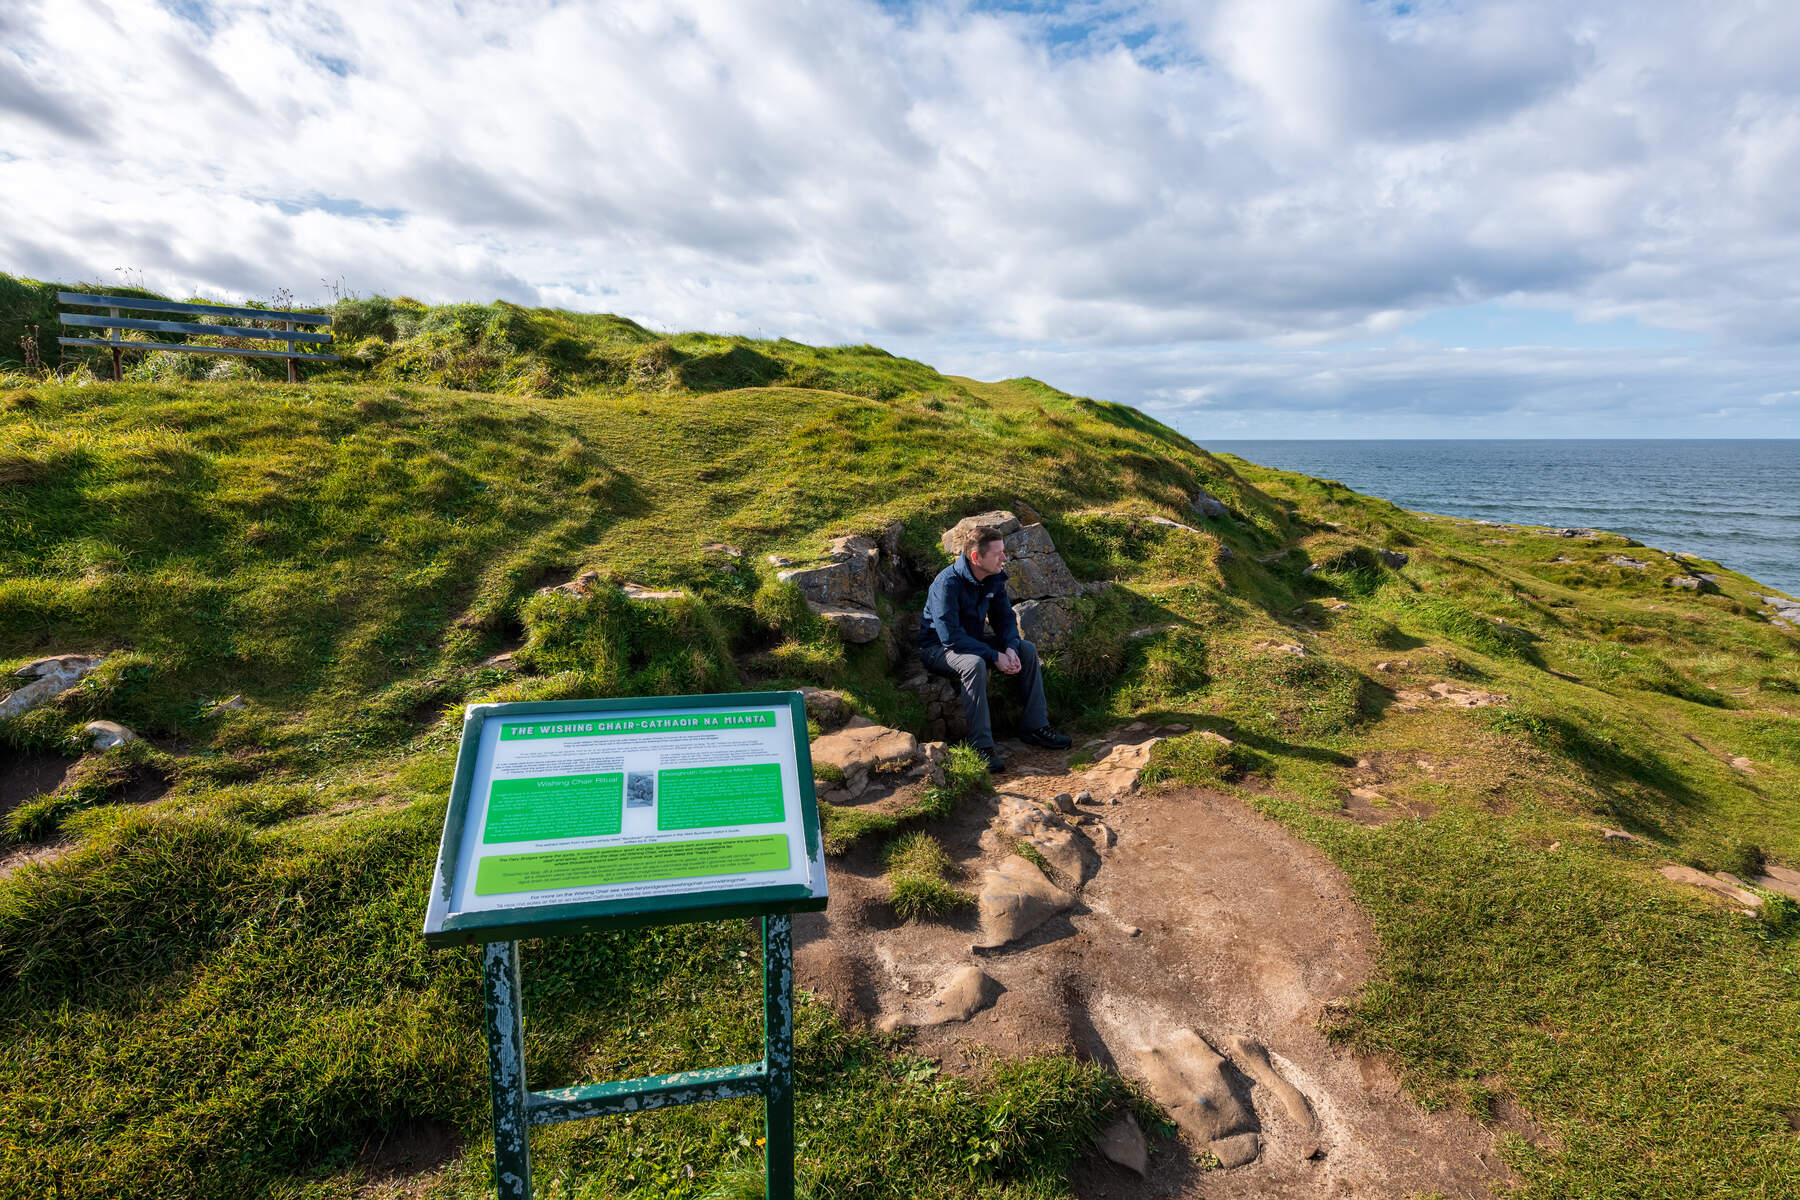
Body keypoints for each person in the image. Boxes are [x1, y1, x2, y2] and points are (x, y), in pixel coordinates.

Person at [919, 525, 1073, 772]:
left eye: (1004, 551)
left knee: (1027, 649)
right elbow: (950, 637)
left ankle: (1036, 728)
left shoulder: (994, 577)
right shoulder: (946, 584)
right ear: (976, 557)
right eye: (998, 553)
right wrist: (994, 655)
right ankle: (982, 747)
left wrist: (1010, 648)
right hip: (938, 648)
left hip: (972, 641)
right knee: (974, 664)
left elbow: (1005, 619)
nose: (1004, 557)